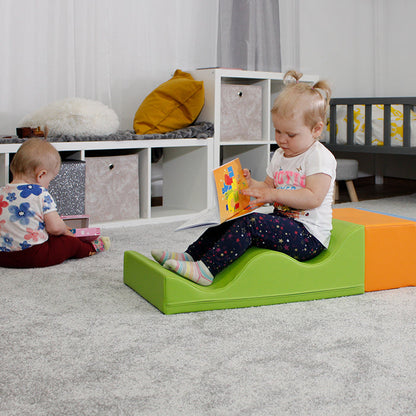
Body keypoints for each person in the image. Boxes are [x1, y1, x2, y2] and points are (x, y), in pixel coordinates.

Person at [152, 70, 336, 286]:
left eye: (291, 134)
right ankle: (192, 255)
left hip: (308, 236)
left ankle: (207, 270)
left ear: (316, 130)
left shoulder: (319, 156)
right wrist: (251, 185)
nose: (282, 140)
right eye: (277, 131)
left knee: (251, 223)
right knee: (234, 217)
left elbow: (313, 198)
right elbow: (268, 187)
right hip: (284, 224)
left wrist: (272, 193)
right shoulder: (279, 155)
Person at [0, 137, 110, 268]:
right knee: (68, 243)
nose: (48, 185)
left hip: (3, 256)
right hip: (32, 255)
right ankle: (90, 248)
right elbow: (55, 228)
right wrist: (64, 230)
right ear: (41, 175)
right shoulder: (40, 193)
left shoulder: (2, 192)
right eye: (50, 180)